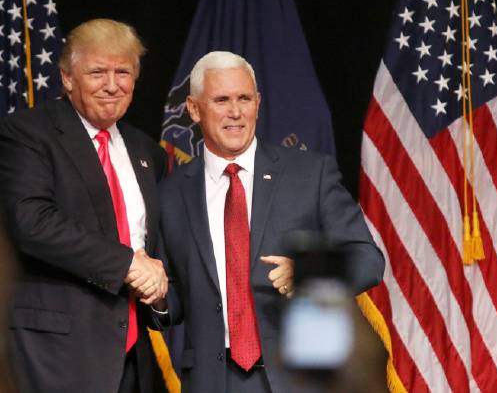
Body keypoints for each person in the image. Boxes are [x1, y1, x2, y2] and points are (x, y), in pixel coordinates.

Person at [156, 51, 385, 393]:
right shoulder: (171, 193)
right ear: (193, 108)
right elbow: (173, 296)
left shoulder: (311, 174)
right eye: (221, 100)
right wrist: (157, 295)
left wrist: (309, 273)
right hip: (213, 382)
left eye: (244, 98)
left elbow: (368, 260)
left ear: (258, 103)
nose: (235, 112)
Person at [0, 19, 168, 393]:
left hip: (132, 355)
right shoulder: (27, 133)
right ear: (68, 79)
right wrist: (126, 262)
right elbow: (32, 222)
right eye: (97, 72)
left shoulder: (147, 152)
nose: (112, 85)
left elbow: (154, 245)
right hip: (55, 352)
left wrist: (157, 287)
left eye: (123, 72)